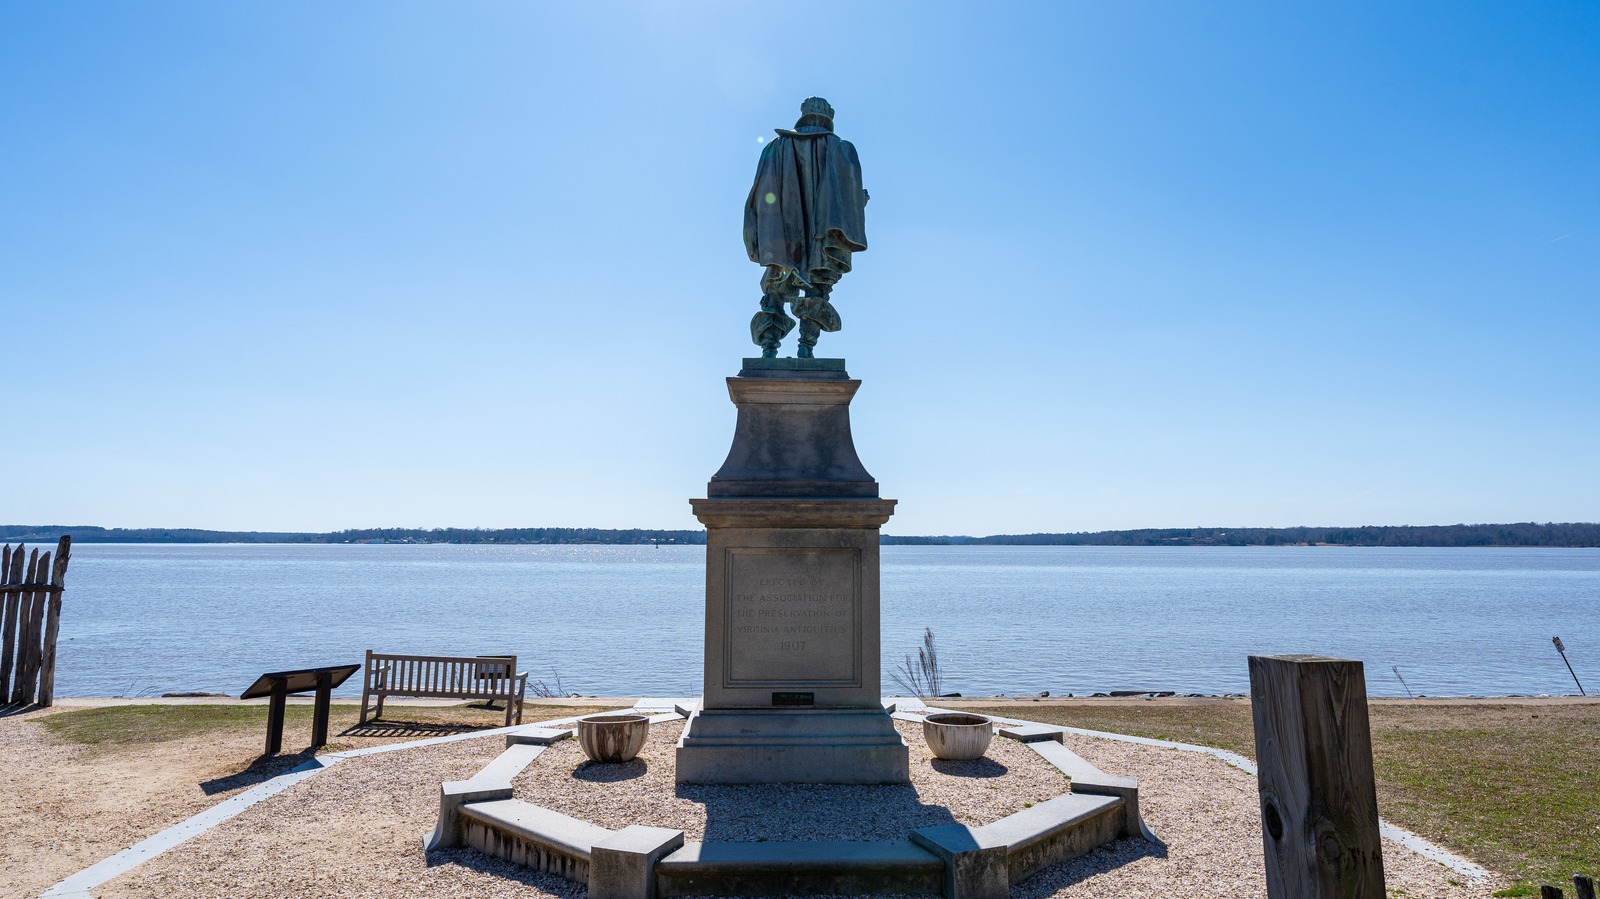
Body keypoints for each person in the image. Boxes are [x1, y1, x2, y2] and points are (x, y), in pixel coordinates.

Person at [743, 97, 869, 358]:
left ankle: (769, 349)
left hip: (781, 239)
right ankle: (805, 348)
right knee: (817, 288)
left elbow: (758, 198)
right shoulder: (840, 149)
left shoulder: (774, 149)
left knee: (775, 291)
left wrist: (759, 238)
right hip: (821, 240)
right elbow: (849, 201)